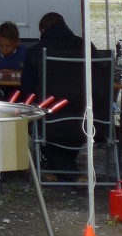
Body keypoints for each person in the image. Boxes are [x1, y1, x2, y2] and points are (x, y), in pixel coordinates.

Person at [20, 11, 86, 177]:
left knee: (32, 119)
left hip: (49, 117)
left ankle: (69, 172)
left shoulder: (36, 51)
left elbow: (27, 89)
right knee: (62, 131)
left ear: (43, 30)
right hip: (88, 117)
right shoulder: (88, 47)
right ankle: (61, 168)